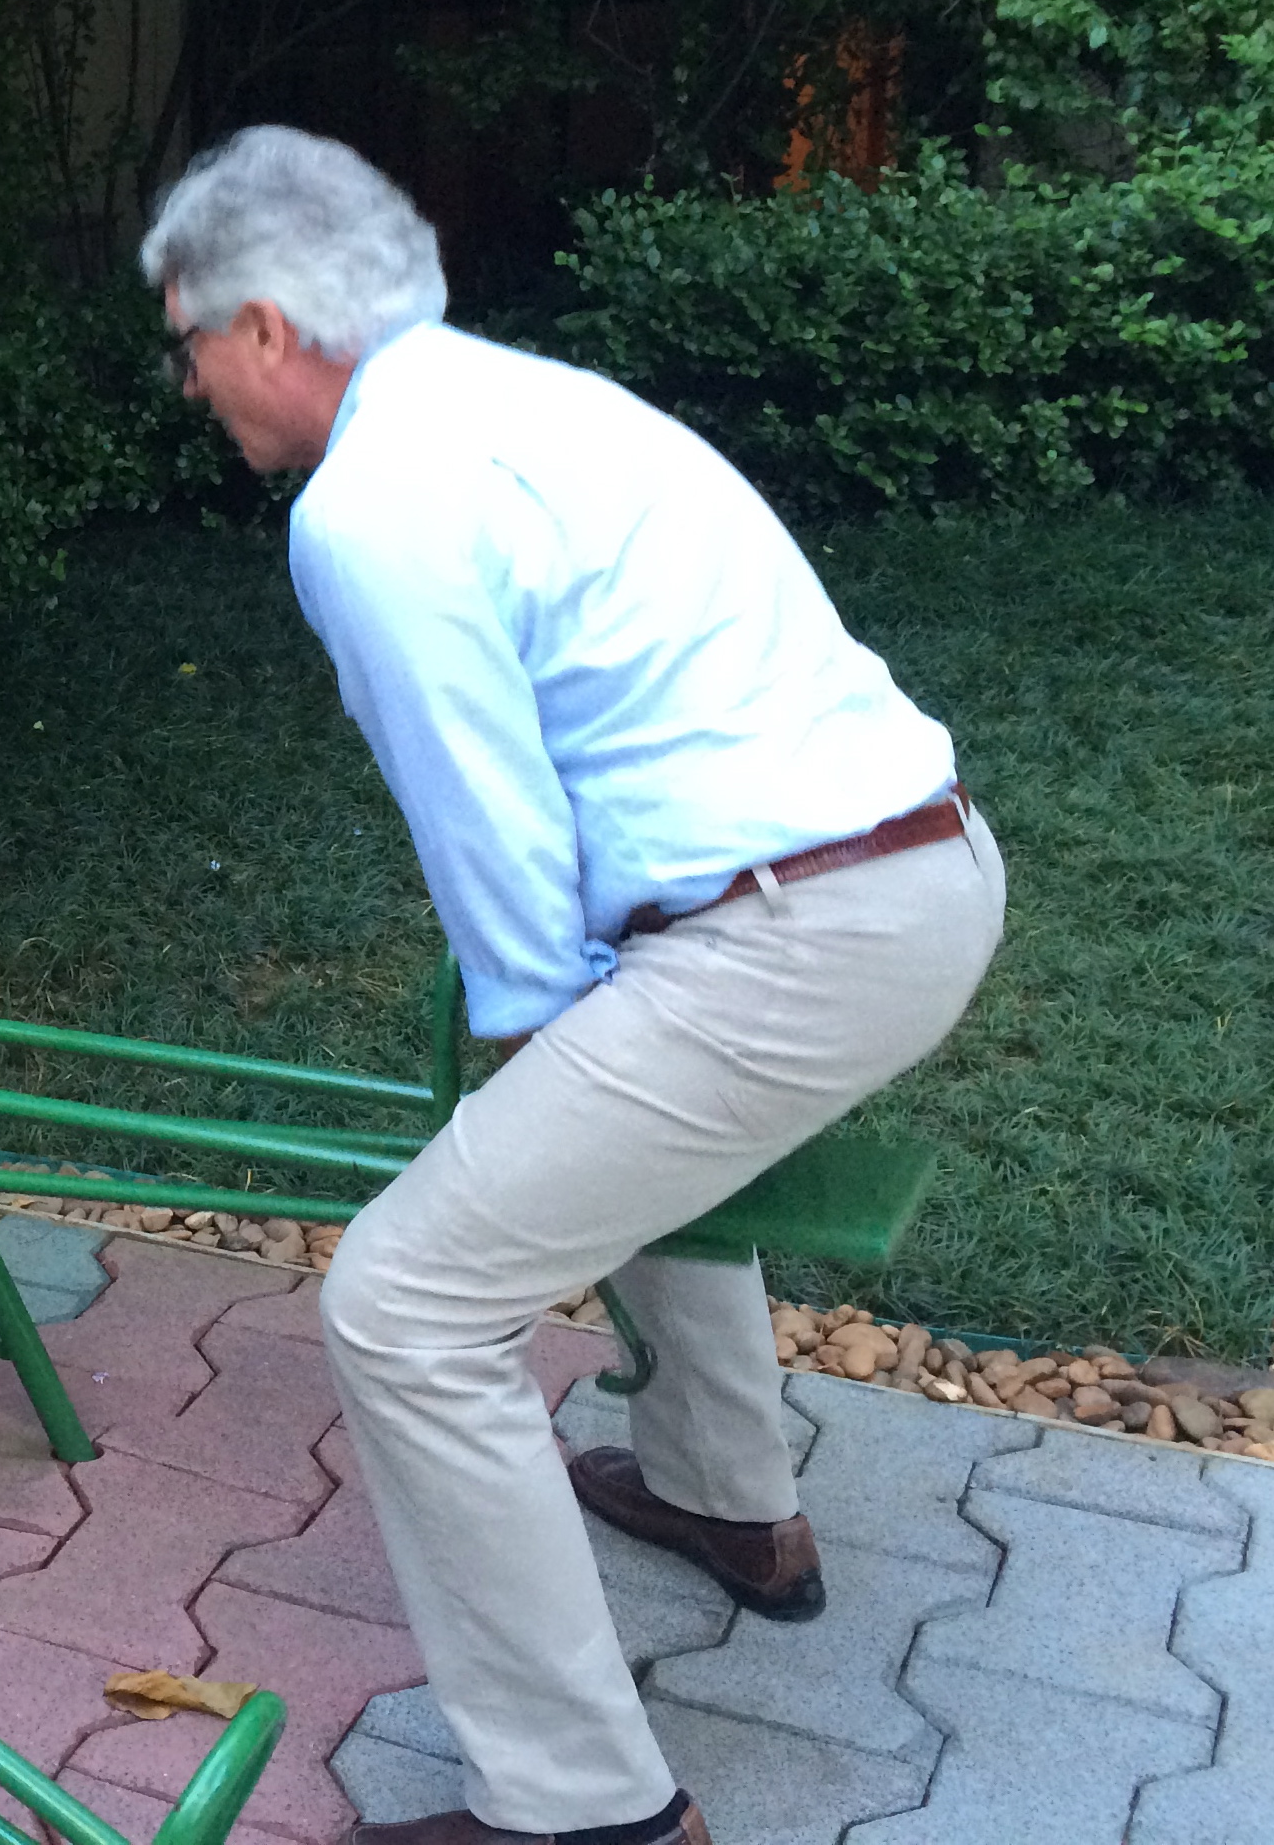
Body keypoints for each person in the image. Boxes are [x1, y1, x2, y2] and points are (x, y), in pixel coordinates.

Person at [139, 127, 1004, 1845]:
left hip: (794, 930)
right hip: (918, 869)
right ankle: (727, 1499)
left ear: (262, 326)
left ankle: (583, 1808)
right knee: (614, 1112)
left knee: (402, 1305)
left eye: (186, 345)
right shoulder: (531, 401)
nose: (188, 387)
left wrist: (527, 1030)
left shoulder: (370, 504)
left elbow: (485, 816)